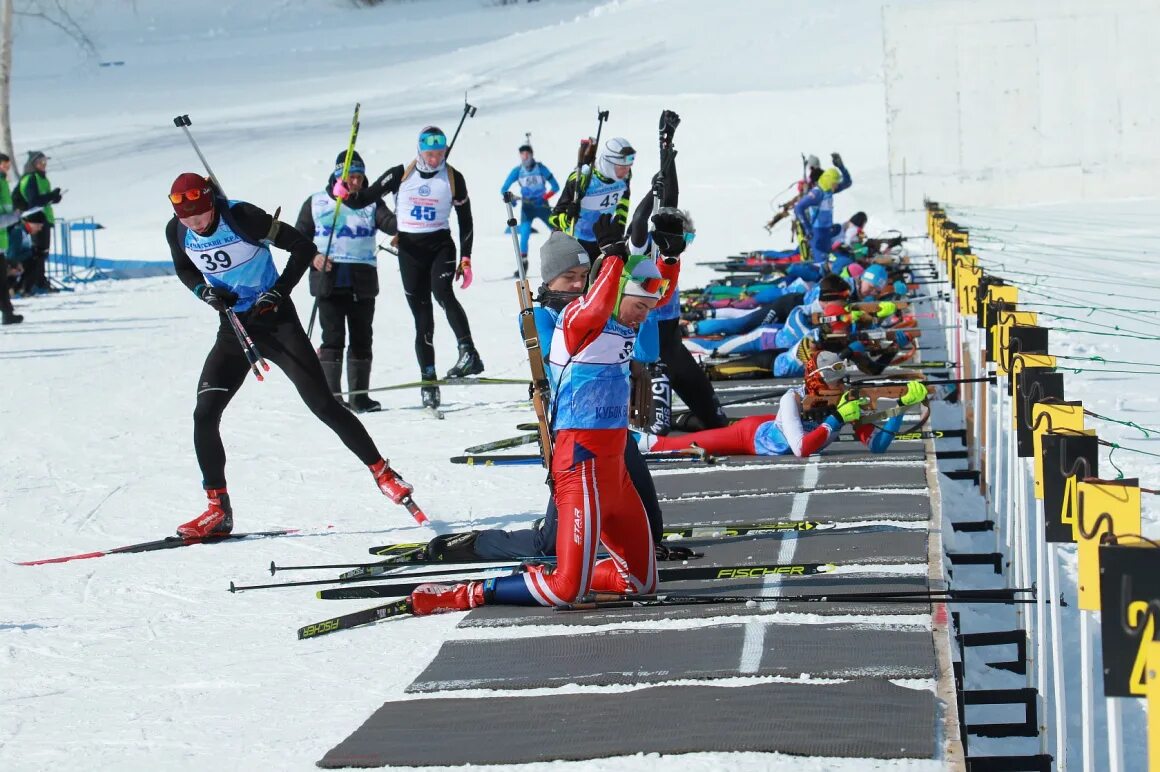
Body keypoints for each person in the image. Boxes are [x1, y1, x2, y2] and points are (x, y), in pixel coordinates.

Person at [407, 231, 680, 614]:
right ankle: (468, 592)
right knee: (563, 580)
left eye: (583, 275)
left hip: (614, 468)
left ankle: (555, 573)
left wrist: (669, 255)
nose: (577, 283)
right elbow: (596, 311)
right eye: (569, 276)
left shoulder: (619, 316)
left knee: (641, 583)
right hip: (579, 461)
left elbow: (653, 301)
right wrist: (616, 261)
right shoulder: (569, 317)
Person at [164, 172, 415, 538]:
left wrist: (278, 292)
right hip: (234, 328)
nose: (194, 225)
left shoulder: (242, 217)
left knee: (323, 405)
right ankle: (218, 510)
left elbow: (301, 247)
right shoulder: (177, 230)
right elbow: (184, 268)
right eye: (186, 219)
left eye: (199, 217)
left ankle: (383, 473)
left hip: (276, 322)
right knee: (204, 414)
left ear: (211, 205)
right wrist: (204, 291)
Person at [336, 126, 480, 411]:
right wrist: (343, 193)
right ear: (420, 150)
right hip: (410, 252)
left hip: (441, 246)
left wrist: (466, 257)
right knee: (422, 319)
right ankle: (429, 382)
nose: (436, 159)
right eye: (431, 153)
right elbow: (365, 199)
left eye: (440, 153)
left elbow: (466, 219)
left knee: (443, 294)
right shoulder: (400, 174)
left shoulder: (453, 178)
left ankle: (468, 352)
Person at [640, 352, 929, 457]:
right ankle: (637, 440)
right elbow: (801, 448)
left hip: (762, 432)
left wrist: (900, 407)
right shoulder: (791, 399)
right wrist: (837, 419)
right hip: (750, 436)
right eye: (834, 382)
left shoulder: (844, 401)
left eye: (842, 381)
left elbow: (877, 446)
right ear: (817, 383)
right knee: (681, 445)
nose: (841, 388)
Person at [296, 150, 397, 413]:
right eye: (351, 177)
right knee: (333, 338)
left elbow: (391, 224)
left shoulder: (371, 203)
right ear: (338, 176)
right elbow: (298, 239)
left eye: (360, 177)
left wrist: (403, 225)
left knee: (362, 338)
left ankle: (359, 397)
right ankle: (333, 397)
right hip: (329, 280)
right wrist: (313, 257)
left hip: (361, 280)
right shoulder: (316, 203)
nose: (356, 183)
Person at [549, 136, 634, 259]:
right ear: (609, 163)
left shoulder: (624, 177)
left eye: (629, 166)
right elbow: (554, 218)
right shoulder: (582, 179)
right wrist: (568, 217)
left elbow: (623, 202)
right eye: (621, 167)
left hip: (604, 242)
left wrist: (619, 230)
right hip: (577, 243)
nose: (626, 171)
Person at [499, 142, 559, 276]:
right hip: (527, 208)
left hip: (542, 206)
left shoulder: (541, 168)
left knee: (557, 231)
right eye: (522, 155)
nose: (525, 157)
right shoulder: (518, 171)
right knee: (524, 235)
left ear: (532, 155)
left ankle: (561, 259)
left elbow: (556, 186)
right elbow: (504, 189)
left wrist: (544, 197)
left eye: (527, 154)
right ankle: (523, 265)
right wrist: (512, 200)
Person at [14, 151, 61, 295]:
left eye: (45, 162)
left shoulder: (41, 178)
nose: (44, 165)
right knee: (36, 254)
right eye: (41, 162)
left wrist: (54, 198)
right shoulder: (31, 178)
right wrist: (50, 196)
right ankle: (31, 285)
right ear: (33, 164)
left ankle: (39, 281)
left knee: (42, 253)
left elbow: (43, 199)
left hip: (42, 218)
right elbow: (33, 201)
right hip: (33, 220)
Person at [793, 152, 851, 264]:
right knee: (821, 264)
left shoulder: (828, 191)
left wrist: (841, 167)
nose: (836, 186)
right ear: (829, 181)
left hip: (826, 230)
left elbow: (848, 183)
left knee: (828, 263)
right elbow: (798, 208)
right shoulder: (817, 193)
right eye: (834, 183)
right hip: (817, 232)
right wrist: (807, 228)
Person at [0, 153, 23, 325]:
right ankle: (7, 313)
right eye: (4, 166)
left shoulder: (3, 183)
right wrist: (14, 217)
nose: (7, 169)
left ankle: (8, 313)